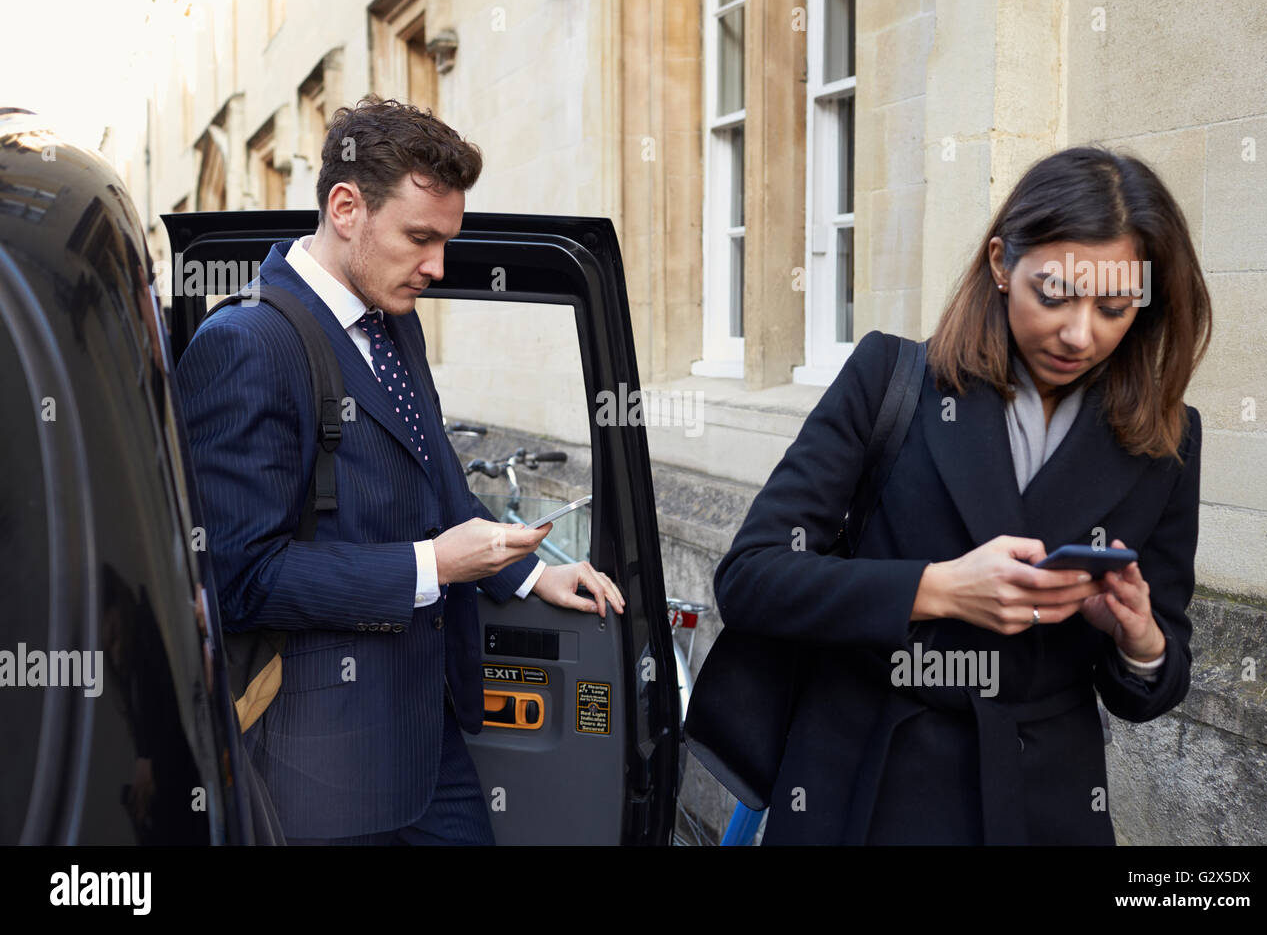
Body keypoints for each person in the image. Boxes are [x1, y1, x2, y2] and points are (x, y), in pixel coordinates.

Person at [712, 145, 1212, 844]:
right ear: (1003, 264)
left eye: (1114, 307)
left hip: (1045, 800)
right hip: (863, 781)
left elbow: (1154, 685)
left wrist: (1140, 638)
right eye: (1056, 294)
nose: (1080, 333)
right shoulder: (892, 378)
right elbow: (750, 579)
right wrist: (937, 590)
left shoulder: (1167, 439)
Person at [176, 95, 624, 845]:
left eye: (447, 240)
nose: (437, 266)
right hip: (320, 770)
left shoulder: (394, 322)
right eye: (420, 238)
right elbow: (236, 578)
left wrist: (525, 574)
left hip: (428, 732)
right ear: (346, 207)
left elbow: (434, 474)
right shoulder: (246, 343)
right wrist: (430, 566)